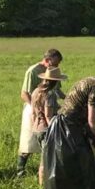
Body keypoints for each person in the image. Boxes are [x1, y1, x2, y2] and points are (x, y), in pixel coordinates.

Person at [18, 48, 64, 176]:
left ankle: (45, 167)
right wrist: (36, 108)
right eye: (55, 62)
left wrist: (68, 100)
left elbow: (58, 91)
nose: (57, 65)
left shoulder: (53, 72)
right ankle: (20, 169)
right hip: (32, 107)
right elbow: (24, 93)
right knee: (28, 141)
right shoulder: (33, 71)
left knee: (43, 140)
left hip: (48, 107)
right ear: (48, 60)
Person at [30, 66, 68, 185]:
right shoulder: (49, 94)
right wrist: (55, 130)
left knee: (45, 158)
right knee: (45, 161)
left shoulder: (36, 91)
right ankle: (43, 188)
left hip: (36, 128)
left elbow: (32, 113)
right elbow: (48, 115)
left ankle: (44, 186)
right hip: (46, 130)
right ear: (55, 81)